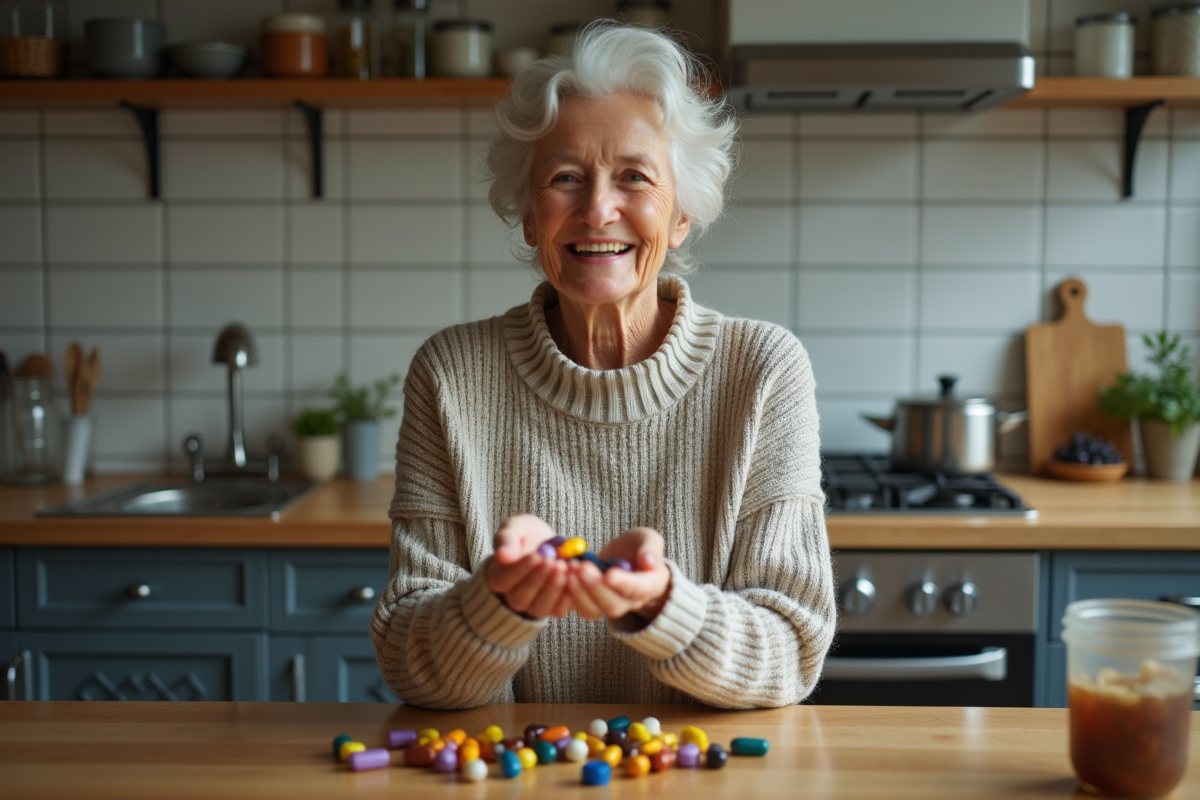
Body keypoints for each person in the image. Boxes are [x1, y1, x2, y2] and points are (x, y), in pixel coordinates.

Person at [370, 21, 835, 710]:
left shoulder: (763, 371)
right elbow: (412, 667)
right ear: (530, 217)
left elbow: (790, 652)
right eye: (566, 178)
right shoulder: (451, 375)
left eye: (634, 178)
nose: (597, 209)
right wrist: (498, 602)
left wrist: (664, 606)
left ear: (681, 216)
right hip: (514, 766)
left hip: (695, 766)